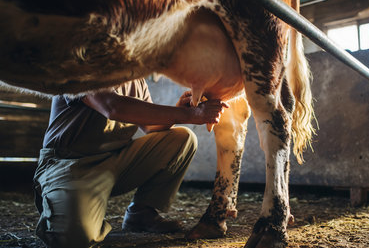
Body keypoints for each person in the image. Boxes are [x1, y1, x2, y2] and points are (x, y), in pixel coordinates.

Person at [33, 78, 228, 248]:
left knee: (182, 139)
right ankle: (72, 208)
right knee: (73, 240)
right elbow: (112, 106)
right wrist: (192, 115)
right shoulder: (83, 64)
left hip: (115, 161)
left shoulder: (135, 79)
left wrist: (179, 110)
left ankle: (141, 213)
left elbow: (151, 128)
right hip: (70, 166)